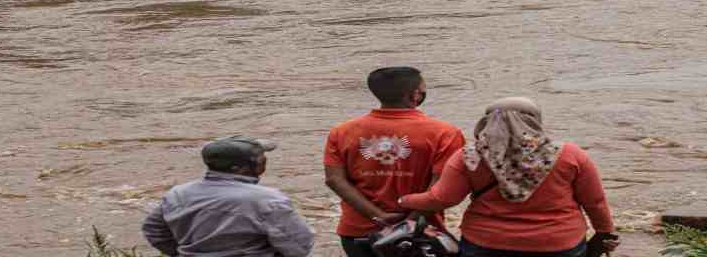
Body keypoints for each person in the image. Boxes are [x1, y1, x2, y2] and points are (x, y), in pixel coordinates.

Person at [397, 97, 618, 257]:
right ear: (535, 121)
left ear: (487, 121)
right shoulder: (569, 154)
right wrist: (604, 232)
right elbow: (595, 202)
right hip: (559, 244)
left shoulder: (470, 155)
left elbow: (442, 199)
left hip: (486, 243)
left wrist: (404, 200)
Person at [324, 67, 466, 257]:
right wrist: (407, 223)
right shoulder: (445, 133)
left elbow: (335, 180)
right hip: (419, 234)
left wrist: (379, 216)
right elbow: (441, 189)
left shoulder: (342, 131)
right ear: (415, 95)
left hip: (357, 232)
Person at [143, 136, 316, 257]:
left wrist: (178, 252)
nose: (264, 162)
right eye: (261, 159)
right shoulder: (268, 200)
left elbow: (154, 230)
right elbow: (299, 247)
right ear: (240, 169)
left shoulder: (177, 194)